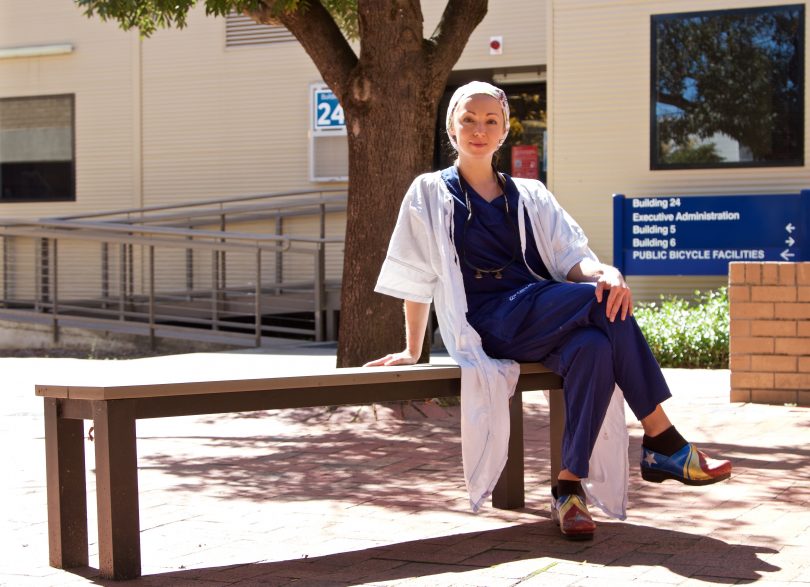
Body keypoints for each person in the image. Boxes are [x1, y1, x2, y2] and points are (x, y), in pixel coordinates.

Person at [365, 81, 731, 541]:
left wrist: (606, 271)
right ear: (451, 129)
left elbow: (571, 256)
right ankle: (662, 439)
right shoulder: (430, 192)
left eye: (491, 121)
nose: (479, 129)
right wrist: (411, 348)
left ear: (503, 132)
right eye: (468, 120)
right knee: (594, 302)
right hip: (487, 323)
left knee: (594, 346)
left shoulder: (530, 194)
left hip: (537, 311)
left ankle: (568, 489)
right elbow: (416, 275)